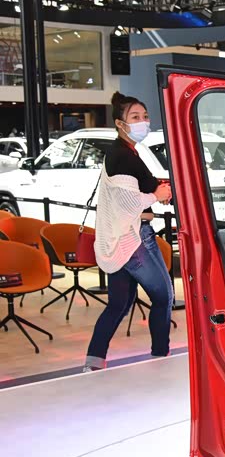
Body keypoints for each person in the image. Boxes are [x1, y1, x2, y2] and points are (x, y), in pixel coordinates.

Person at [84, 92, 173, 372]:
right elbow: (128, 202)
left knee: (119, 304)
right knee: (163, 296)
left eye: (145, 116)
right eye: (135, 117)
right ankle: (161, 356)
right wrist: (156, 196)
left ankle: (93, 361)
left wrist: (157, 191)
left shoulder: (125, 151)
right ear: (120, 123)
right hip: (134, 240)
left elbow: (138, 188)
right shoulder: (122, 155)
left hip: (120, 240)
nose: (142, 122)